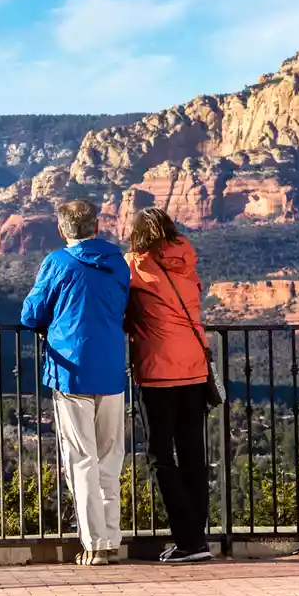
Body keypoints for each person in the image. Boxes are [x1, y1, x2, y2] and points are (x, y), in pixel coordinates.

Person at [20, 199, 132, 566]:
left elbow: (31, 314)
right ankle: (112, 539)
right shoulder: (118, 261)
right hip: (113, 370)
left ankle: (95, 544)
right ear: (96, 226)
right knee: (110, 458)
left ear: (62, 229)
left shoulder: (58, 263)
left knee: (81, 459)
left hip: (70, 372)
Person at [124, 206, 213, 563]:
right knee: (193, 453)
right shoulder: (187, 262)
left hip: (158, 370)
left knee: (161, 456)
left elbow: (120, 306)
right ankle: (197, 538)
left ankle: (189, 540)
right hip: (194, 366)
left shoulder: (134, 265)